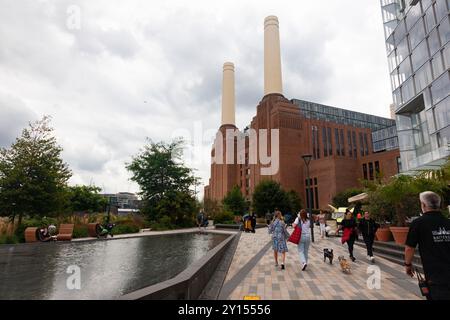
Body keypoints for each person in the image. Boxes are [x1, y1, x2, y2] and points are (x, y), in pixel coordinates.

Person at [404, 191, 450, 300]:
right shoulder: (448, 222)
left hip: (435, 277)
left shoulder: (418, 223)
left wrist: (407, 265)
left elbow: (409, 248)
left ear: (423, 205)